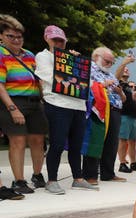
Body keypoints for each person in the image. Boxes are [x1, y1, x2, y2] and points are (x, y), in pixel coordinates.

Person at [34, 25, 95, 194]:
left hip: (78, 105)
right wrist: (70, 67)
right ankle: (52, 180)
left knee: (77, 145)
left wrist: (74, 62)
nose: (58, 43)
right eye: (55, 40)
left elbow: (87, 82)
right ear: (47, 39)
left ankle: (78, 178)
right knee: (57, 144)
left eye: (61, 40)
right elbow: (49, 77)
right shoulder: (42, 56)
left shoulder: (73, 58)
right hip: (56, 104)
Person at [0, 14, 48, 195]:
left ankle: (37, 175)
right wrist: (12, 109)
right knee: (18, 140)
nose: (16, 40)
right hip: (13, 101)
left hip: (35, 101)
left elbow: (38, 78)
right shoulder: (1, 54)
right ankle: (19, 180)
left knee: (38, 139)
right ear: (2, 37)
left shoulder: (29, 55)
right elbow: (0, 85)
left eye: (19, 37)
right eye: (10, 36)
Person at [83, 46, 127, 185]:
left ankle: (108, 173)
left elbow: (124, 98)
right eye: (107, 61)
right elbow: (86, 86)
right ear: (96, 57)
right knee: (96, 141)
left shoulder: (111, 74)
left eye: (111, 62)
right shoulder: (89, 69)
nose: (109, 64)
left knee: (112, 143)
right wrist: (103, 84)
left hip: (115, 110)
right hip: (99, 109)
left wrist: (119, 92)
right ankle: (90, 174)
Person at [115, 53, 136, 173]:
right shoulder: (118, 82)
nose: (126, 70)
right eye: (124, 69)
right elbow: (117, 74)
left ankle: (133, 162)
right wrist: (125, 63)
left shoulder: (129, 86)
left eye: (128, 69)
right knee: (123, 139)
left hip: (133, 116)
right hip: (123, 115)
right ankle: (122, 163)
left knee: (133, 141)